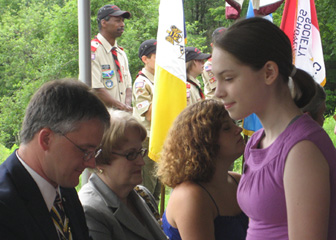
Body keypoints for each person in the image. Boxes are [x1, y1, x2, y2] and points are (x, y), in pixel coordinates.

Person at [212, 17, 336, 240]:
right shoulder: (256, 141)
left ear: (269, 72)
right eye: (216, 80)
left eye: (228, 78)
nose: (217, 92)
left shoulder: (302, 150)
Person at [0, 79, 110, 240]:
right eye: (84, 150)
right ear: (46, 139)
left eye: (94, 152)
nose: (91, 163)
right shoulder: (6, 208)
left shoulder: (63, 189)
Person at [157, 99, 248, 240]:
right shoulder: (190, 196)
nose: (239, 130)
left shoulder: (238, 181)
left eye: (234, 124)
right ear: (204, 141)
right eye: (226, 128)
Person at [79, 110, 168, 240]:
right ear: (100, 159)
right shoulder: (90, 210)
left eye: (140, 152)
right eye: (131, 154)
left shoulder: (143, 195)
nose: (141, 162)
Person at [132, 39, 161, 203]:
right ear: (145, 59)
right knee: (147, 189)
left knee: (158, 188)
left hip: (159, 137)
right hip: (148, 139)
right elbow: (148, 114)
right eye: (157, 56)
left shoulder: (160, 80)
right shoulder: (143, 82)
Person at [91, 4, 133, 112]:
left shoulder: (120, 53)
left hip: (121, 117)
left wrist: (126, 107)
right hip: (102, 118)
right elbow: (97, 89)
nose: (122, 24)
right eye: (117, 21)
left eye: (123, 21)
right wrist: (121, 107)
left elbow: (128, 86)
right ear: (104, 23)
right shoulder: (92, 51)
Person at [202, 27, 227, 99]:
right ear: (212, 46)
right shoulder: (209, 66)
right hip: (216, 106)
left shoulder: (230, 62)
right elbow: (220, 88)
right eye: (220, 45)